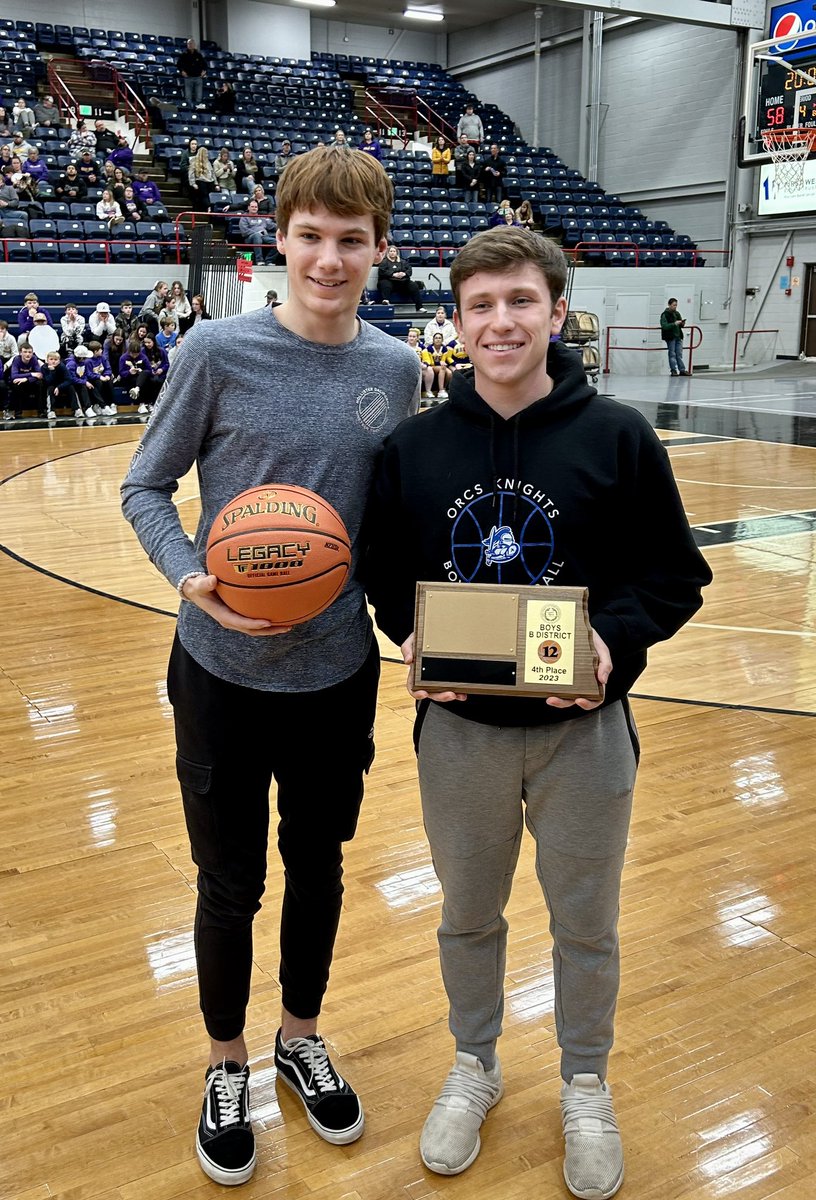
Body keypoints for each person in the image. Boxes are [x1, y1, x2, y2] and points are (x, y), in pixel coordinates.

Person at [363, 227, 712, 1197]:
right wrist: (411, 637)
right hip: (462, 735)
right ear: (458, 321)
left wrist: (613, 640)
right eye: (481, 305)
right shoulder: (413, 448)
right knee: (468, 918)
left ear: (558, 311)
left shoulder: (620, 437)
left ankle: (585, 1082)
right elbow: (385, 574)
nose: (501, 322)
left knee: (586, 926)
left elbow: (676, 576)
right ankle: (474, 1063)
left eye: (521, 301)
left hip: (585, 733)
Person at [120, 143, 420, 1189]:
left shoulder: (395, 369)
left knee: (322, 866)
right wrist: (193, 575)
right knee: (226, 880)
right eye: (310, 237)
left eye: (351, 240)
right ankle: (226, 1061)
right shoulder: (215, 351)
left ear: (380, 249)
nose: (329, 259)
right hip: (218, 673)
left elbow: (387, 526)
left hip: (336, 674)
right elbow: (145, 487)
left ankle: (298, 1035)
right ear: (278, 239)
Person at [378, 244, 425, 312]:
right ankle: (386, 301)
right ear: (388, 253)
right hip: (389, 281)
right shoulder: (384, 262)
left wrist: (404, 274)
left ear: (396, 252)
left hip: (402, 282)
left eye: (394, 251)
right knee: (385, 284)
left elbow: (409, 270)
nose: (392, 253)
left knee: (413, 285)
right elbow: (382, 272)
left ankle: (419, 307)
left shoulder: (403, 261)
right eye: (390, 251)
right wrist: (393, 274)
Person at [8, 340, 44, 418]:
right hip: (20, 384)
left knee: (40, 383)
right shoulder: (16, 360)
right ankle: (18, 413)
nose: (27, 354)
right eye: (25, 352)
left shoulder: (34, 359)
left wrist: (26, 379)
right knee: (16, 384)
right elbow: (14, 376)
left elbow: (39, 375)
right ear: (20, 353)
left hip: (29, 382)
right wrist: (31, 374)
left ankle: (41, 412)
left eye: (29, 352)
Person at [238, 200, 275, 265]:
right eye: (252, 207)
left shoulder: (262, 217)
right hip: (250, 237)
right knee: (256, 236)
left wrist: (282, 228)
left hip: (264, 236)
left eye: (255, 207)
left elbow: (272, 225)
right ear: (248, 207)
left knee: (277, 243)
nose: (254, 208)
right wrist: (257, 232)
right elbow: (244, 231)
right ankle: (259, 260)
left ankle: (269, 261)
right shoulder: (244, 217)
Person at [42, 349, 78, 417]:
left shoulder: (62, 366)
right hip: (51, 385)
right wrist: (52, 371)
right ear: (47, 360)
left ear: (59, 361)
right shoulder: (44, 367)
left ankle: (76, 409)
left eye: (55, 359)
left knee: (71, 387)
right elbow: (48, 381)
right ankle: (51, 411)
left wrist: (59, 387)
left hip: (62, 385)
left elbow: (69, 380)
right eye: (51, 359)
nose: (53, 361)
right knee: (50, 388)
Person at [660, 298, 689, 376]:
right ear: (669, 305)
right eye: (673, 305)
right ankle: (673, 370)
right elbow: (664, 326)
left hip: (678, 336)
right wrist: (674, 324)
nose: (675, 307)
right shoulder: (665, 314)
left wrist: (682, 323)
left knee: (679, 354)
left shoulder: (677, 314)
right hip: (670, 337)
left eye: (676, 305)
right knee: (672, 353)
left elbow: (680, 324)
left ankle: (682, 370)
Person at [420, 331, 452, 399]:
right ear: (433, 340)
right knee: (442, 368)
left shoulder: (444, 348)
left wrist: (443, 362)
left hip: (441, 366)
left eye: (440, 338)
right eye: (436, 338)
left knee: (449, 373)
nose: (438, 339)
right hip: (432, 365)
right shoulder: (429, 348)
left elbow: (443, 359)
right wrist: (439, 363)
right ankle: (441, 391)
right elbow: (429, 361)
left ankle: (443, 388)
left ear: (442, 340)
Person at [178, 39, 208, 108]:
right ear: (187, 45)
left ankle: (198, 110)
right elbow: (179, 64)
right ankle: (189, 109)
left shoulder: (199, 55)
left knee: (199, 96)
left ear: (194, 45)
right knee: (188, 96)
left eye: (192, 43)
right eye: (189, 44)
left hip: (198, 77)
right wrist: (182, 71)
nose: (190, 45)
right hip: (188, 77)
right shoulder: (184, 55)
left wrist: (204, 71)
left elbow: (205, 65)